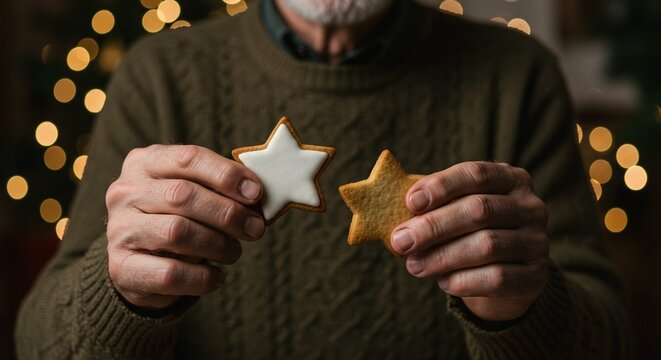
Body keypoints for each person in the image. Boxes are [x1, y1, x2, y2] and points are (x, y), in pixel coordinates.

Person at [15, 0, 629, 358]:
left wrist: (523, 309)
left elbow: (611, 338)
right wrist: (120, 291)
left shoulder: (517, 76)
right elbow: (39, 342)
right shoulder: (159, 76)